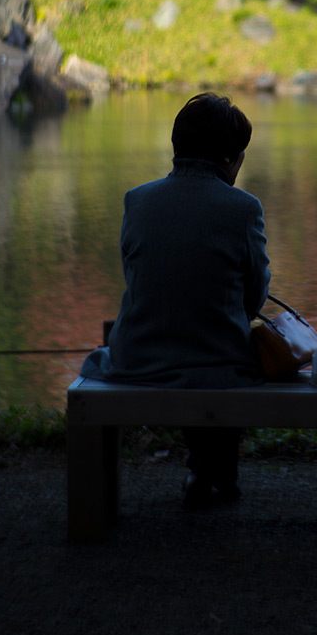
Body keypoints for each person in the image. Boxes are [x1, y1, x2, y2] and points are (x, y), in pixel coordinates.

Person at [81, 92, 271, 507]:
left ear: (176, 146)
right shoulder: (243, 208)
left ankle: (205, 471)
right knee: (218, 358)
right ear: (231, 159)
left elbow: (137, 275)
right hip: (217, 363)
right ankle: (213, 471)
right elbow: (255, 294)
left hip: (139, 357)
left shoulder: (138, 200)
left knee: (191, 353)